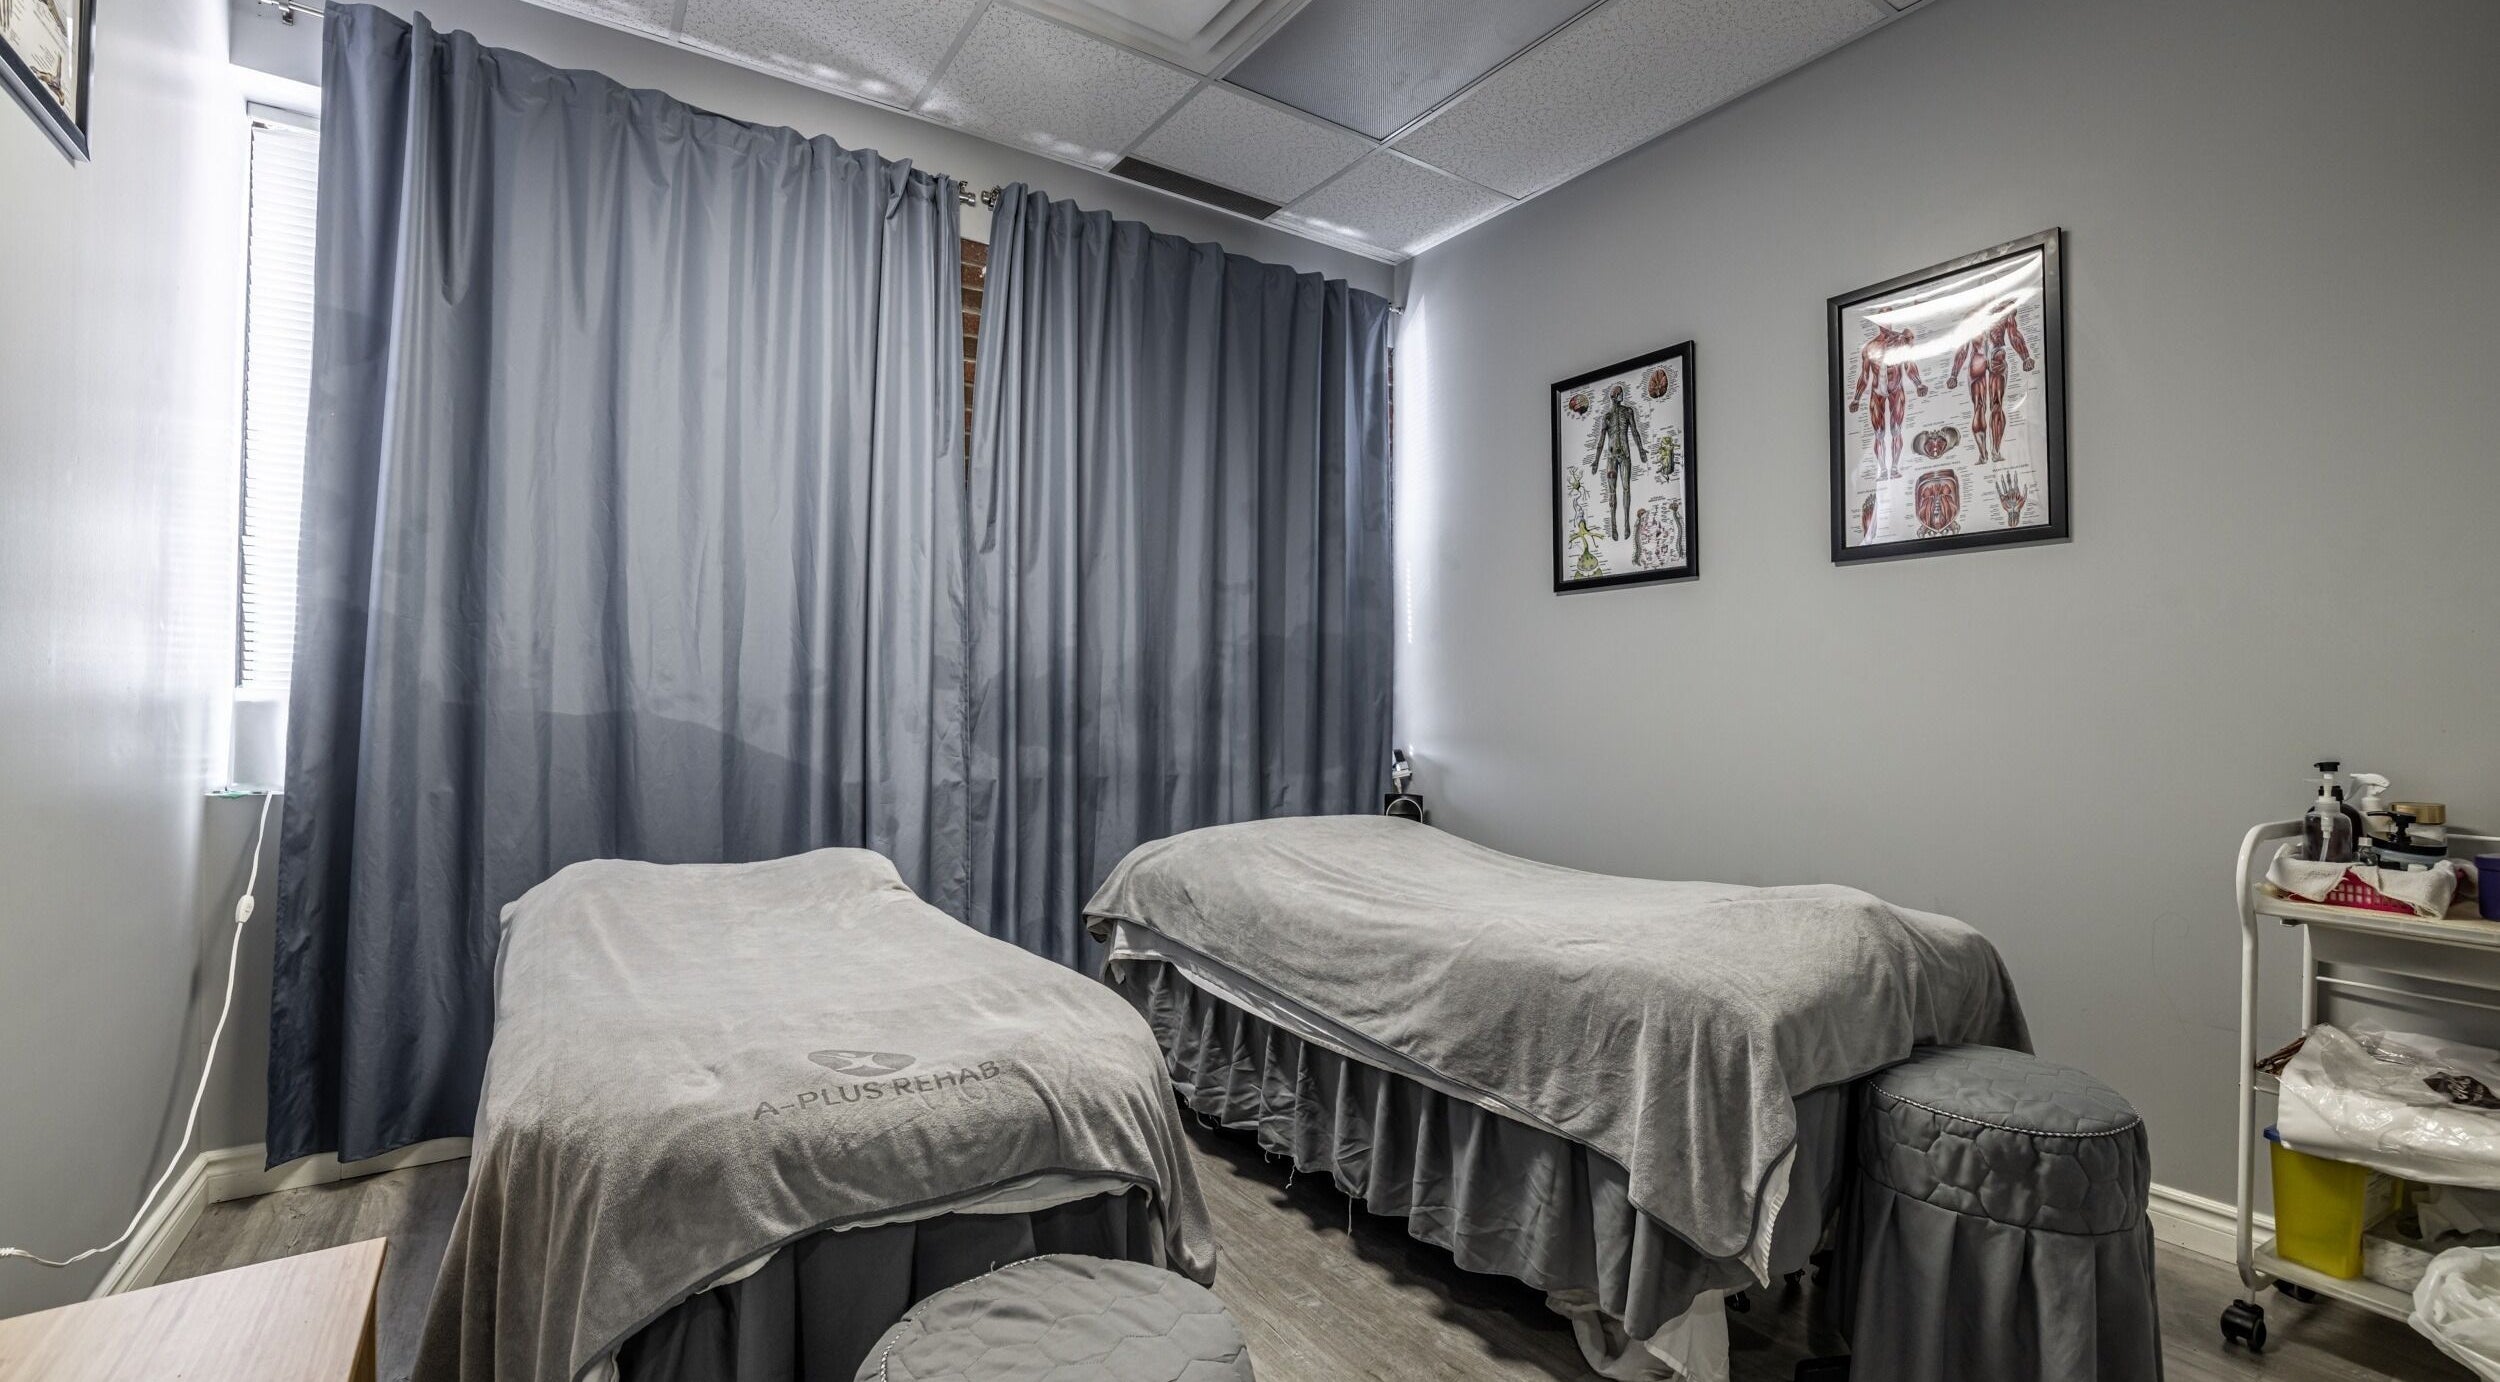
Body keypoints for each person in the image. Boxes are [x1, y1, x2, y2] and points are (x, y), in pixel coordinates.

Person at [1948, 296, 2036, 464]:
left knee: (1987, 406)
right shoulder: (1984, 314)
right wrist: (1953, 374)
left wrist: (2025, 357)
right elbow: (1964, 347)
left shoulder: (1988, 313)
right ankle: (1988, 453)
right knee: (1987, 406)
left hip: (1986, 359)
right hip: (1988, 358)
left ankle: (1990, 453)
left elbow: (2014, 335)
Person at [1846, 323, 1928, 479]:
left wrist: (1918, 384)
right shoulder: (1870, 347)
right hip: (1877, 391)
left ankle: (1895, 468)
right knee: (1879, 433)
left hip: (1896, 388)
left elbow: (1908, 364)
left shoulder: (1900, 341)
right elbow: (1864, 376)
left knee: (1896, 430)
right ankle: (1883, 469)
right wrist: (1856, 398)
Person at [1589, 383, 1650, 541]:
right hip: (1611, 457)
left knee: (1626, 489)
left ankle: (1627, 525)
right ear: (1613, 397)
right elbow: (1601, 441)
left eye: (1622, 393)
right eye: (1619, 393)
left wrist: (1641, 451)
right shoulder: (1607, 417)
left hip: (1625, 455)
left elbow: (1635, 432)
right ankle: (1614, 526)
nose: (1622, 396)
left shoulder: (1628, 411)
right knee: (1611, 492)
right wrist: (1595, 461)